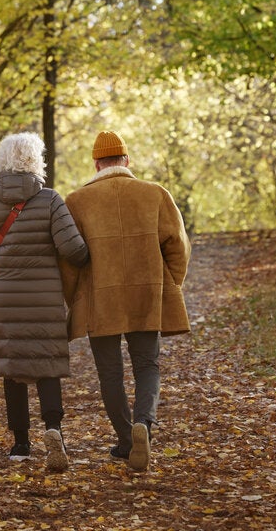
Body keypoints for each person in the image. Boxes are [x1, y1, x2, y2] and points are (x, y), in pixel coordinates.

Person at [62, 130, 191, 472]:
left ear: (96, 164)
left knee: (110, 373)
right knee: (147, 365)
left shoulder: (76, 201)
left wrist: (74, 298)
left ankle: (125, 439)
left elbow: (68, 260)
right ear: (127, 161)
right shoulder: (155, 194)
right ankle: (143, 424)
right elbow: (178, 246)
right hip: (146, 293)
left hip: (99, 299)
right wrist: (169, 284)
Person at [0, 132, 90, 472]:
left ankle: (20, 443)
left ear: (2, 161)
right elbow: (74, 250)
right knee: (46, 362)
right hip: (42, 295)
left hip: (2, 297)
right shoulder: (50, 200)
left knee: (13, 366)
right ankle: (54, 429)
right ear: (36, 160)